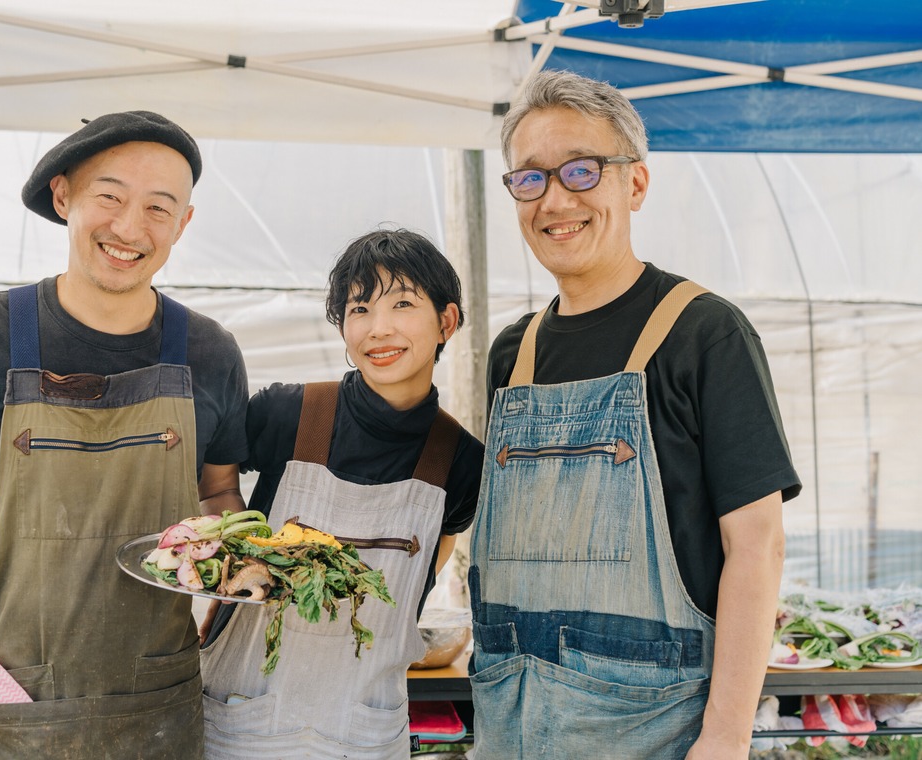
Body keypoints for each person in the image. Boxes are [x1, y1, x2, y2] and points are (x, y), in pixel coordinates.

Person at [0, 111, 249, 758]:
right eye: (108, 197)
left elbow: (220, 498)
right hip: (0, 705)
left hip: (155, 710)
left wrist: (238, 566)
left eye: (158, 208)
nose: (129, 227)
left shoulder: (210, 353)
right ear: (64, 197)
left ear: (183, 224)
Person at [469, 70, 801, 759]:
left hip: (655, 736)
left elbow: (757, 547)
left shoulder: (703, 333)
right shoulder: (513, 352)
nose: (555, 200)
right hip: (513, 728)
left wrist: (726, 739)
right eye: (529, 179)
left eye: (581, 171)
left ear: (635, 185)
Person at [198, 229, 483, 758]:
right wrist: (237, 554)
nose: (379, 329)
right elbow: (214, 480)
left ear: (446, 321)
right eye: (359, 309)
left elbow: (418, 580)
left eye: (402, 304)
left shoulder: (461, 461)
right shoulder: (286, 414)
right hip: (243, 720)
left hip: (367, 731)